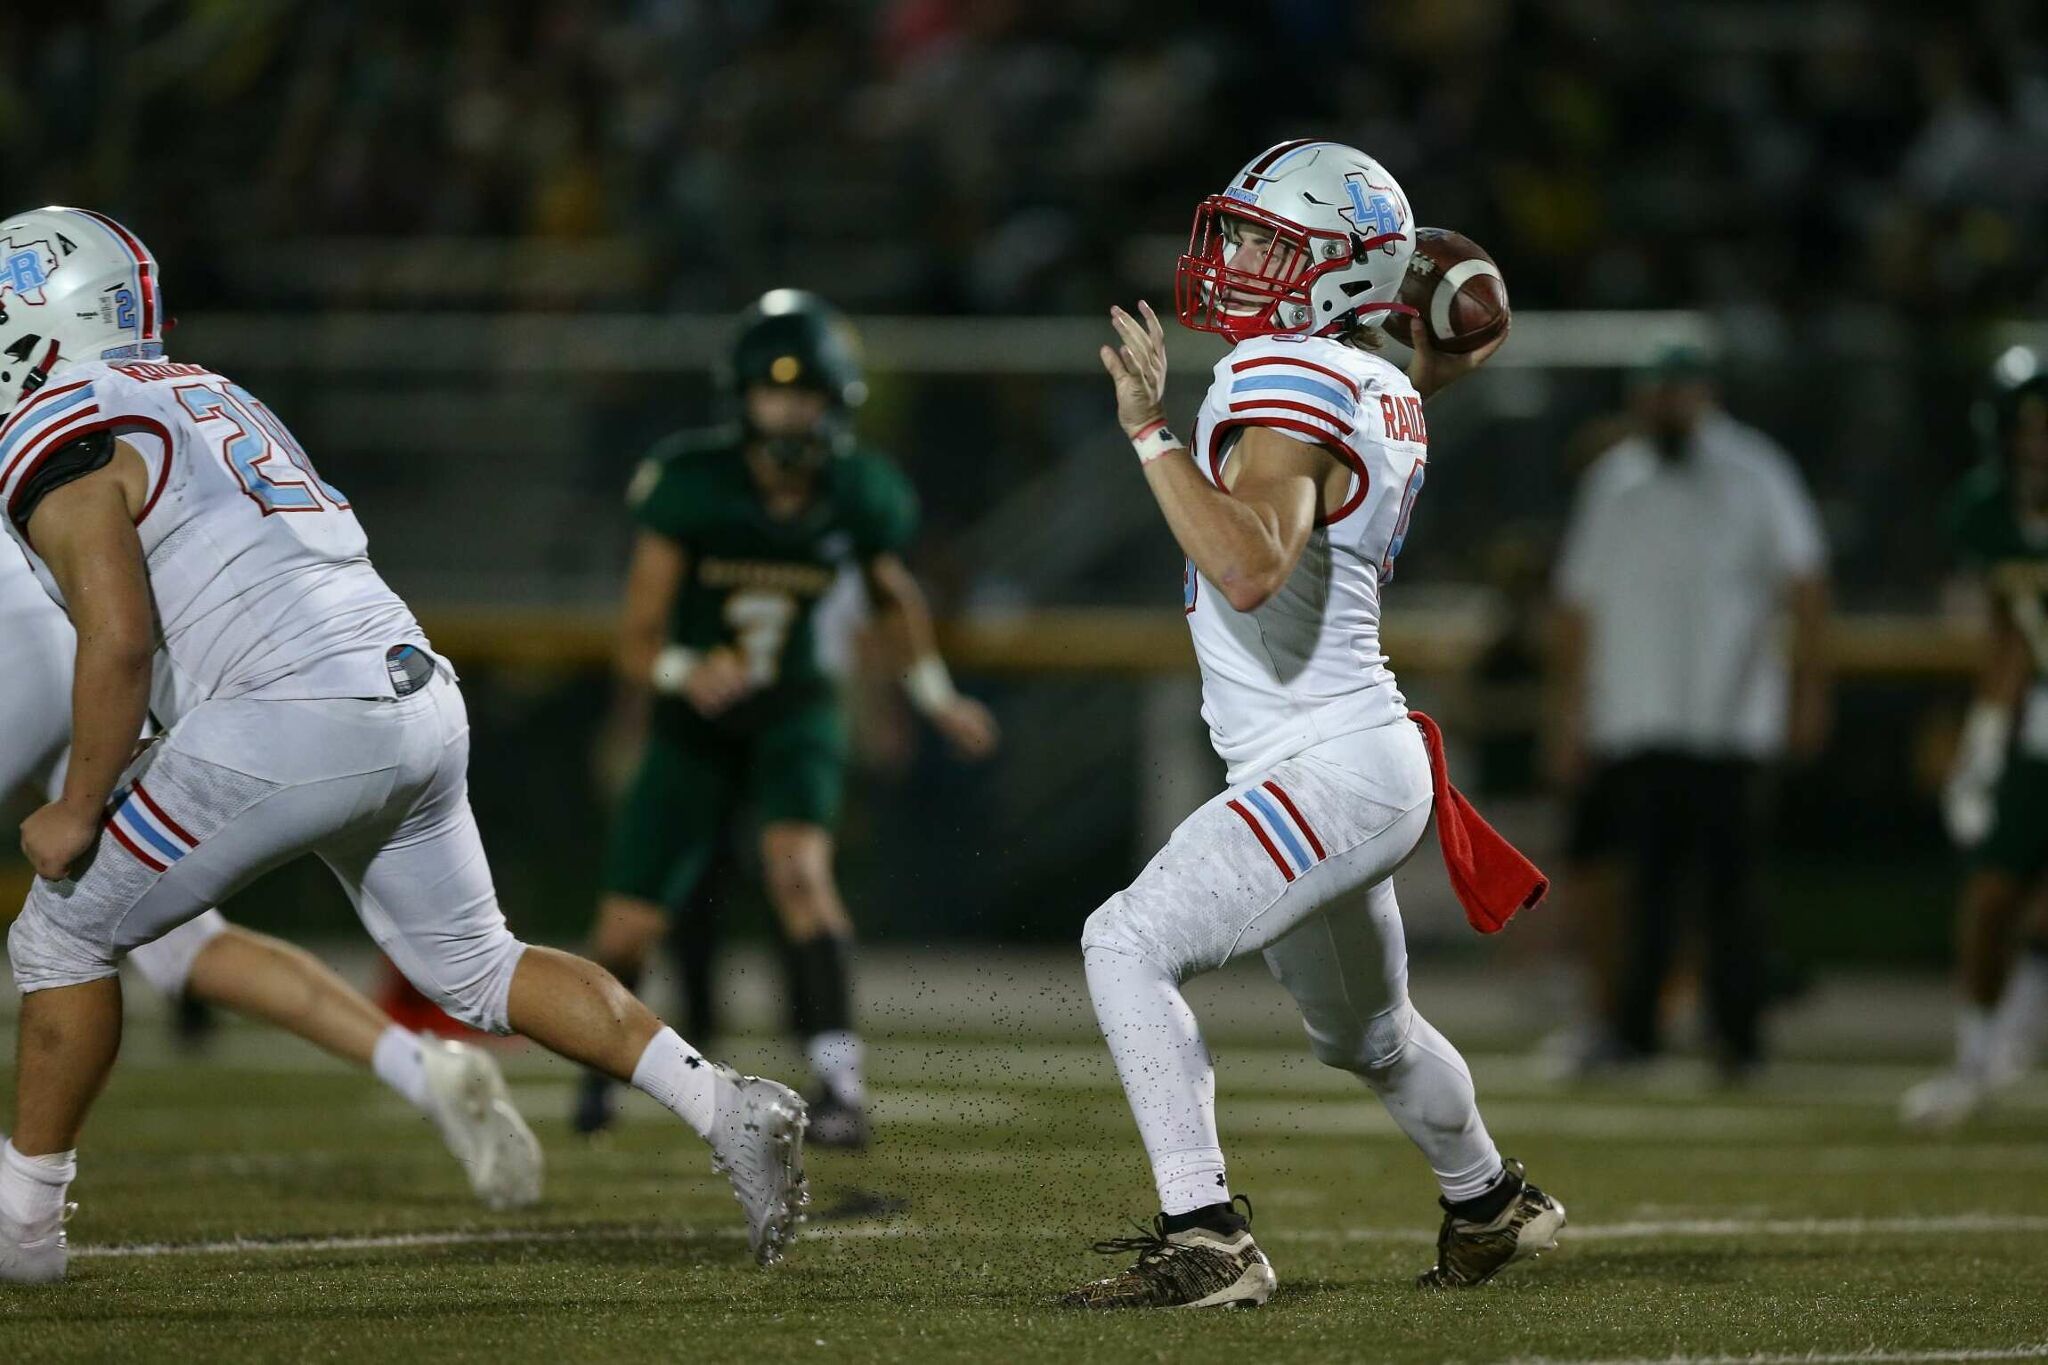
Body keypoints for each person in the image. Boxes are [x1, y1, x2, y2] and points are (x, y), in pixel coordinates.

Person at [0, 206, 807, 1284]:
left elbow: (119, 636)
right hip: (412, 686)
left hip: (292, 712)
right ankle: (723, 1104)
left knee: (58, 939)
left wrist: (77, 801)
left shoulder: (56, 424)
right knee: (482, 968)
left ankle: (23, 1234)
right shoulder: (206, 389)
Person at [1061, 141, 1563, 1311]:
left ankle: (1208, 1237)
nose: (1232, 259)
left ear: (1335, 271)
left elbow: (1247, 566)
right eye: (1238, 234)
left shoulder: (1284, 370)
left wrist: (1147, 431)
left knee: (1123, 942)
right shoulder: (1365, 379)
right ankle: (1489, 1203)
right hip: (1355, 760)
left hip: (1325, 764)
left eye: (1264, 242)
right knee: (1368, 1039)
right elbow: (1389, 392)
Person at [575, 290, 997, 1149]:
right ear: (743, 397)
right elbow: (637, 635)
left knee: (800, 873)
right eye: (775, 393)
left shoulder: (857, 489)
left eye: (806, 394)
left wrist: (933, 695)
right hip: (694, 722)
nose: (790, 411)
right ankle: (596, 1062)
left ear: (834, 402)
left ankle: (840, 1077)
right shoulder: (692, 481)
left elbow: (895, 596)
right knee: (628, 926)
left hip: (794, 712)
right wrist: (688, 669)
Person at [1, 540, 543, 1209]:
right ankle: (422, 1070)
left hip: (30, 641)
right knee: (185, 949)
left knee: (73, 939)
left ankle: (25, 1203)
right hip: (74, 641)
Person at [1548, 348, 1830, 1078]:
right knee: (1643, 885)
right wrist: (1571, 712)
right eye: (1656, 392)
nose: (1666, 406)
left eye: (1677, 391)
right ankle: (1635, 1030)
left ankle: (1739, 1035)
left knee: (1734, 888)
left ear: (1704, 393)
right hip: (1639, 714)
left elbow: (1807, 585)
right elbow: (1576, 606)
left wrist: (1808, 691)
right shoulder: (1616, 481)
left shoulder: (1756, 471)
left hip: (1731, 715)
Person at [1903, 366, 2048, 1128]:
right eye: (2029, 427)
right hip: (2040, 722)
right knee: (1993, 892)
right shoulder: (1988, 510)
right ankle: (1976, 1058)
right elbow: (2010, 633)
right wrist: (1986, 736)